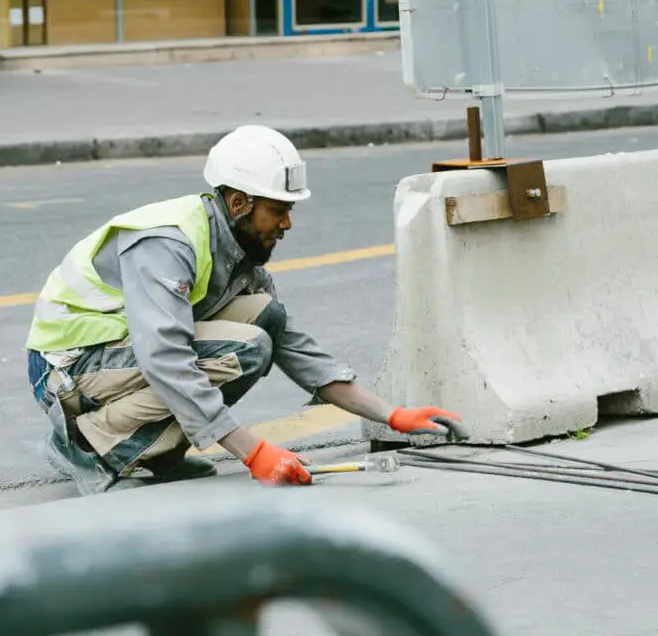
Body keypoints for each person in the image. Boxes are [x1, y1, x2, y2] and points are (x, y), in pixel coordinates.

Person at [25, 125, 465, 495]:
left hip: (115, 359)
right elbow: (166, 358)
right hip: (68, 370)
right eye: (278, 211)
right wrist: (253, 452)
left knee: (265, 318)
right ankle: (88, 446)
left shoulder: (236, 250)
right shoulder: (168, 243)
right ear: (239, 203)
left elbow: (295, 347)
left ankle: (155, 455)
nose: (287, 224)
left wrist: (391, 415)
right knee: (247, 348)